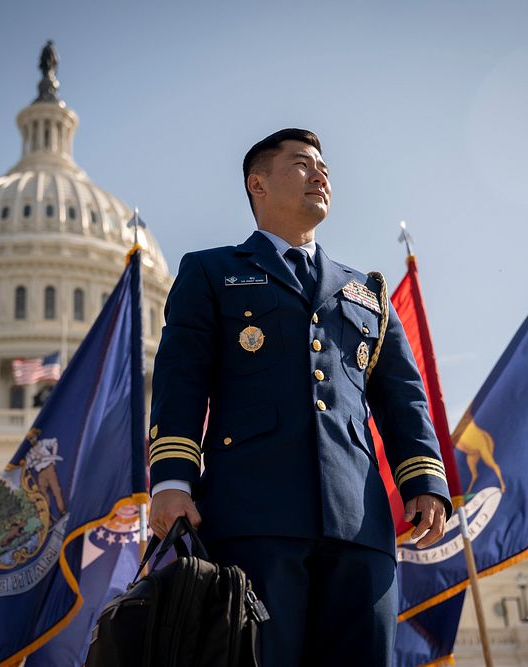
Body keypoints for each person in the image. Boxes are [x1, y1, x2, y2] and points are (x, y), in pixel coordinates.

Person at [147, 128, 451, 666]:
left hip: (359, 524)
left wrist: (424, 480)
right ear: (257, 183)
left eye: (324, 167)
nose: (320, 174)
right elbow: (181, 379)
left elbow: (403, 396)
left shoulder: (368, 293)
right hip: (252, 519)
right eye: (302, 164)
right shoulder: (213, 271)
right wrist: (172, 481)